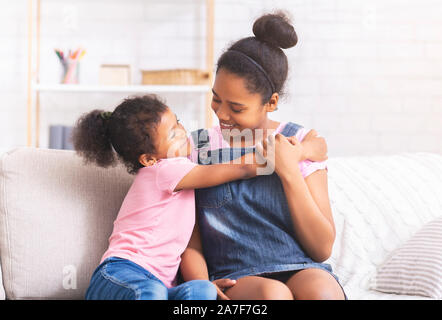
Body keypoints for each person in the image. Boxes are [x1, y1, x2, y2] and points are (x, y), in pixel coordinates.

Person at [72, 94, 325, 300]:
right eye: (173, 134)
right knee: (149, 293)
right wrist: (292, 153)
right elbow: (239, 168)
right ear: (149, 159)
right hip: (121, 273)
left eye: (178, 122)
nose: (184, 132)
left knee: (202, 290)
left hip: (160, 285)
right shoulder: (164, 170)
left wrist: (311, 147)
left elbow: (188, 248)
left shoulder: (182, 172)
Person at [180, 12, 347, 300]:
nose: (220, 114)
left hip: (301, 267)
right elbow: (188, 242)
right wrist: (202, 286)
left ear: (271, 103)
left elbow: (321, 248)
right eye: (216, 99)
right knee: (273, 295)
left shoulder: (298, 143)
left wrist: (289, 169)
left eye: (236, 107)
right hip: (235, 276)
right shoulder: (197, 149)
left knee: (321, 291)